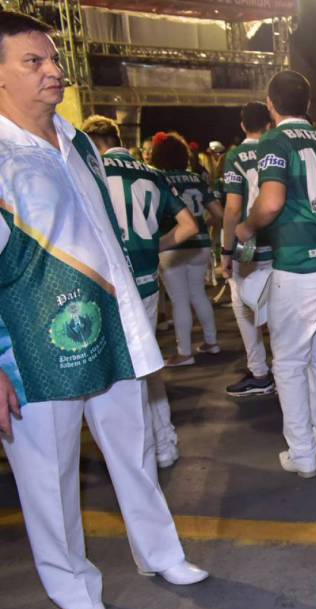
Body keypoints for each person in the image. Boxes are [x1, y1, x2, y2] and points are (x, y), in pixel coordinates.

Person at [0, 13, 208, 609]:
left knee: (136, 450)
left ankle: (161, 554)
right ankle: (75, 592)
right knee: (49, 477)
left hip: (111, 328)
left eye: (52, 57)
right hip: (32, 345)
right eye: (32, 62)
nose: (54, 70)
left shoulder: (79, 140)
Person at [234, 70, 316, 479]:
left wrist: (247, 228)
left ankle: (303, 452)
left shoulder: (275, 139)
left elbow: (269, 203)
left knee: (287, 361)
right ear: (307, 103)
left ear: (271, 104)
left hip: (302, 265)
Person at [82, 115, 199, 468]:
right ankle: (165, 443)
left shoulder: (90, 170)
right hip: (146, 282)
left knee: (118, 374)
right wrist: (153, 246)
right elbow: (190, 226)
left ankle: (140, 454)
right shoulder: (151, 173)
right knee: (148, 364)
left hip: (109, 283)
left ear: (93, 141)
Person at [149, 131, 224, 366]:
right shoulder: (196, 179)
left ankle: (185, 352)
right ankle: (211, 342)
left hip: (171, 243)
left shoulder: (156, 179)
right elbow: (218, 214)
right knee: (198, 294)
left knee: (179, 300)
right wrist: (201, 225)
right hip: (199, 243)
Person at [219, 101, 276, 397]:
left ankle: (260, 372)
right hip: (279, 241)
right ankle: (284, 368)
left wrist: (226, 252)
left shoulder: (236, 155)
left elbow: (232, 208)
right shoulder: (278, 148)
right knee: (279, 305)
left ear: (243, 125)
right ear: (269, 122)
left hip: (248, 246)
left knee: (244, 306)